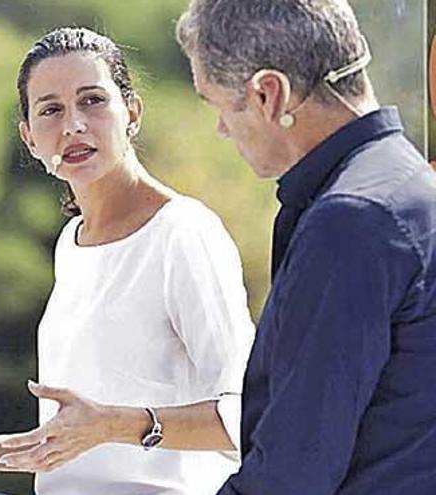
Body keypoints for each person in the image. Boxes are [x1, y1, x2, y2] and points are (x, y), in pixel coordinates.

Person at [0, 26, 254, 495]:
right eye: (51, 110)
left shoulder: (184, 233)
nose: (73, 125)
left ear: (131, 112)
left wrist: (112, 425)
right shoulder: (72, 242)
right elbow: (82, 436)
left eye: (92, 101)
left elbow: (248, 417)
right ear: (30, 138)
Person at [172, 1, 436, 493]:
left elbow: (292, 474)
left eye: (217, 105)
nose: (221, 129)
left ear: (269, 94)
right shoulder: (404, 185)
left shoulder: (354, 220)